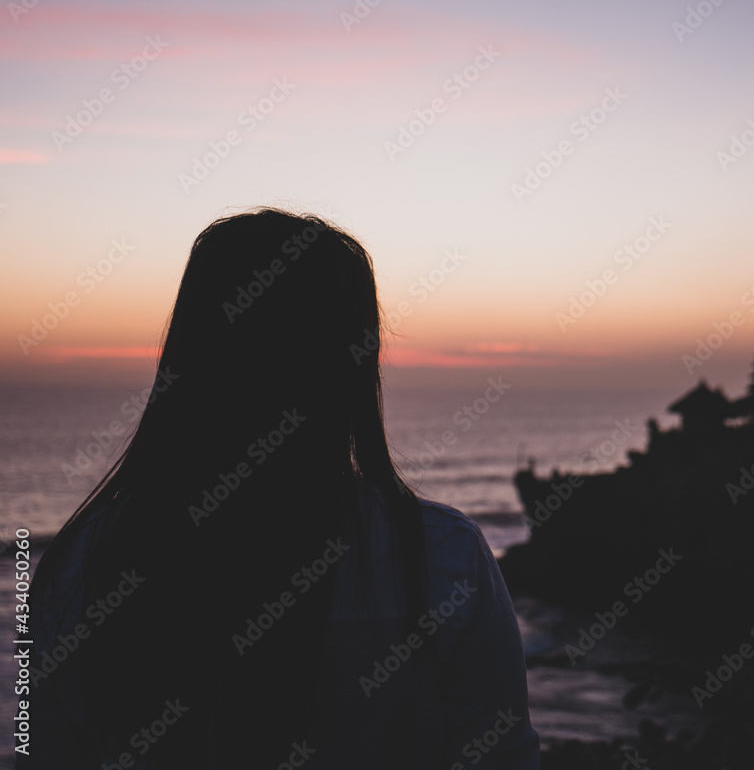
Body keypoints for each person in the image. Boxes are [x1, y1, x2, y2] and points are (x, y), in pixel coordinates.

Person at [18, 208, 540, 769]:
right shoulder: (441, 557)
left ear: (189, 352)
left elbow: (43, 755)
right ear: (352, 367)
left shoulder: (78, 563)